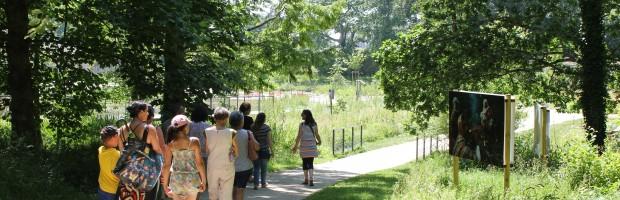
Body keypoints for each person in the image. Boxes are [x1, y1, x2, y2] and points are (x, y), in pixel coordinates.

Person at [118, 101, 163, 200]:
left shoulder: (121, 130)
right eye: (146, 111)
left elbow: (121, 151)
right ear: (140, 112)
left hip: (126, 174)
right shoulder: (149, 129)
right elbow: (157, 149)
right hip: (144, 176)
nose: (148, 113)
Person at [162, 115, 206, 200]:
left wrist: (165, 185)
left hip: (176, 180)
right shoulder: (194, 142)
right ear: (186, 127)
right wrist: (203, 181)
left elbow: (166, 166)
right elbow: (200, 163)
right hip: (192, 179)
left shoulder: (170, 145)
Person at [205, 107, 238, 200]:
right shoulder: (232, 132)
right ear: (227, 118)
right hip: (227, 165)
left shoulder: (206, 132)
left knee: (212, 191)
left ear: (214, 118)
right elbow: (236, 152)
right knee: (226, 193)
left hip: (212, 165)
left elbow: (207, 150)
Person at [230, 111, 258, 200]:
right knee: (240, 191)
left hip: (229, 167)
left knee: (233, 191)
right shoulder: (248, 133)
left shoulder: (226, 133)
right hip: (245, 167)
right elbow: (257, 147)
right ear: (242, 122)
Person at [291, 109, 321, 186]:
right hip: (312, 146)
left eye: (303, 114)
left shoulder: (302, 125)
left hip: (304, 147)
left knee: (305, 163)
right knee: (310, 162)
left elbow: (299, 136)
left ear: (306, 115)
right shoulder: (314, 124)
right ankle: (311, 179)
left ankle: (306, 179)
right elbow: (317, 134)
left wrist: (295, 146)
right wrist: (319, 141)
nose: (301, 115)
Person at [189, 103, 211, 199]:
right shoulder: (208, 126)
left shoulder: (189, 125)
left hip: (191, 155)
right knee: (201, 181)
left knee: (192, 181)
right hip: (204, 156)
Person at [145, 105, 166, 200]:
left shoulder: (133, 127)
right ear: (152, 116)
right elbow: (161, 149)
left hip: (135, 167)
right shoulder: (155, 129)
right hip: (152, 168)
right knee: (151, 195)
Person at [251, 112, 272, 189]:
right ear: (264, 119)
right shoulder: (267, 128)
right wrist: (272, 150)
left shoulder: (252, 127)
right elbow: (269, 140)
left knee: (256, 168)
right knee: (264, 168)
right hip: (264, 150)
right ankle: (263, 183)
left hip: (255, 150)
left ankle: (256, 184)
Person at [98, 126, 120, 200]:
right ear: (115, 136)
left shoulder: (101, 150)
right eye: (118, 137)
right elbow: (118, 174)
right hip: (113, 190)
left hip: (102, 187)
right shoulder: (116, 154)